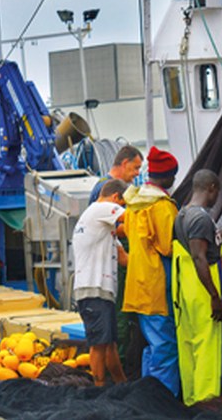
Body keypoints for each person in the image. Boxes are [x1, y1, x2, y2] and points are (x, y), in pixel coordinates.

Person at [172, 169, 222, 406]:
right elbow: (200, 258)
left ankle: (191, 400)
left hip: (184, 292)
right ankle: (206, 403)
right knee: (207, 347)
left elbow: (216, 239)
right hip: (201, 293)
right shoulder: (200, 219)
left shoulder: (184, 215)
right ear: (211, 188)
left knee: (188, 346)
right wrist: (215, 297)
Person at [121, 146, 180, 396]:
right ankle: (162, 401)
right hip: (156, 283)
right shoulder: (160, 205)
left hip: (137, 283)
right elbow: (168, 246)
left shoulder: (134, 202)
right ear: (166, 177)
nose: (175, 180)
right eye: (173, 176)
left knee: (151, 345)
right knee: (165, 346)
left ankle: (146, 398)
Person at [87, 145, 143, 374]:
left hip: (118, 261)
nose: (138, 172)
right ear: (124, 163)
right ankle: (113, 373)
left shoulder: (116, 189)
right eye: (136, 167)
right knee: (117, 318)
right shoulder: (105, 189)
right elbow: (109, 229)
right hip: (111, 266)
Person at [72, 178, 130, 387]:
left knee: (110, 344)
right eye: (122, 203)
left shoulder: (103, 230)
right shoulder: (101, 208)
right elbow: (131, 219)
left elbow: (124, 259)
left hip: (101, 294)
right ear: (116, 198)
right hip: (93, 291)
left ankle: (121, 384)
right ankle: (99, 388)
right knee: (98, 344)